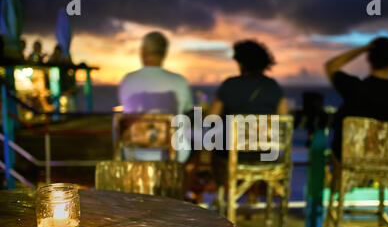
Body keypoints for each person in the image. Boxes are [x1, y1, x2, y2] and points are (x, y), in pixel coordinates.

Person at [208, 39, 289, 203]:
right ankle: (254, 197)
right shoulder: (273, 86)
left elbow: (212, 118)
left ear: (240, 62)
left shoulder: (230, 85)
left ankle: (224, 195)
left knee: (213, 150)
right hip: (266, 154)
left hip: (234, 154)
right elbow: (284, 122)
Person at [324, 37, 388, 159]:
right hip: (385, 165)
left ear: (369, 58)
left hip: (349, 164)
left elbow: (331, 66)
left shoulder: (354, 88)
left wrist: (364, 49)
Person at [118, 31, 193, 162]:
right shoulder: (180, 81)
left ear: (143, 51)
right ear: (164, 53)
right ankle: (182, 180)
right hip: (174, 153)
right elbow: (187, 113)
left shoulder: (128, 80)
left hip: (135, 152)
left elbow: (126, 113)